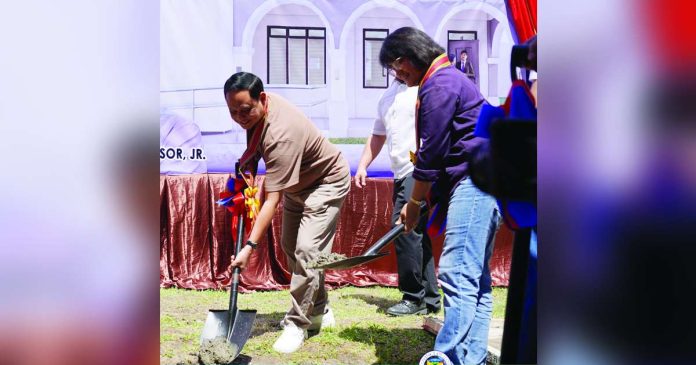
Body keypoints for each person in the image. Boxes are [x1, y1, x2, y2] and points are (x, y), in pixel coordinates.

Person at [379, 27, 500, 365]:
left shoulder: (441, 84)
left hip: (473, 186)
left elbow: (430, 156)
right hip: (479, 184)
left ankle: (444, 358)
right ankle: (469, 359)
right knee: (475, 280)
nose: (398, 76)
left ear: (409, 57)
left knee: (457, 274)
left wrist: (413, 204)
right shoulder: (445, 80)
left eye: (397, 67)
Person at [224, 72, 351, 354]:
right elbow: (256, 153)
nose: (239, 117)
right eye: (232, 111)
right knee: (290, 247)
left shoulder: (282, 135)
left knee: (307, 250)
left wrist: (249, 247)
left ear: (263, 99)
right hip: (298, 182)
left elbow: (271, 201)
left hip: (325, 182)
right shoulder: (257, 112)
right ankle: (320, 309)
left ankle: (297, 323)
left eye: (245, 110)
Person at [354, 78, 441, 316]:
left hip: (418, 169)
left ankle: (414, 297)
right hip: (400, 173)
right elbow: (377, 135)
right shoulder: (388, 95)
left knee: (404, 230)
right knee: (415, 234)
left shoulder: (422, 87)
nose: (397, 66)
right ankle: (430, 298)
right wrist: (363, 165)